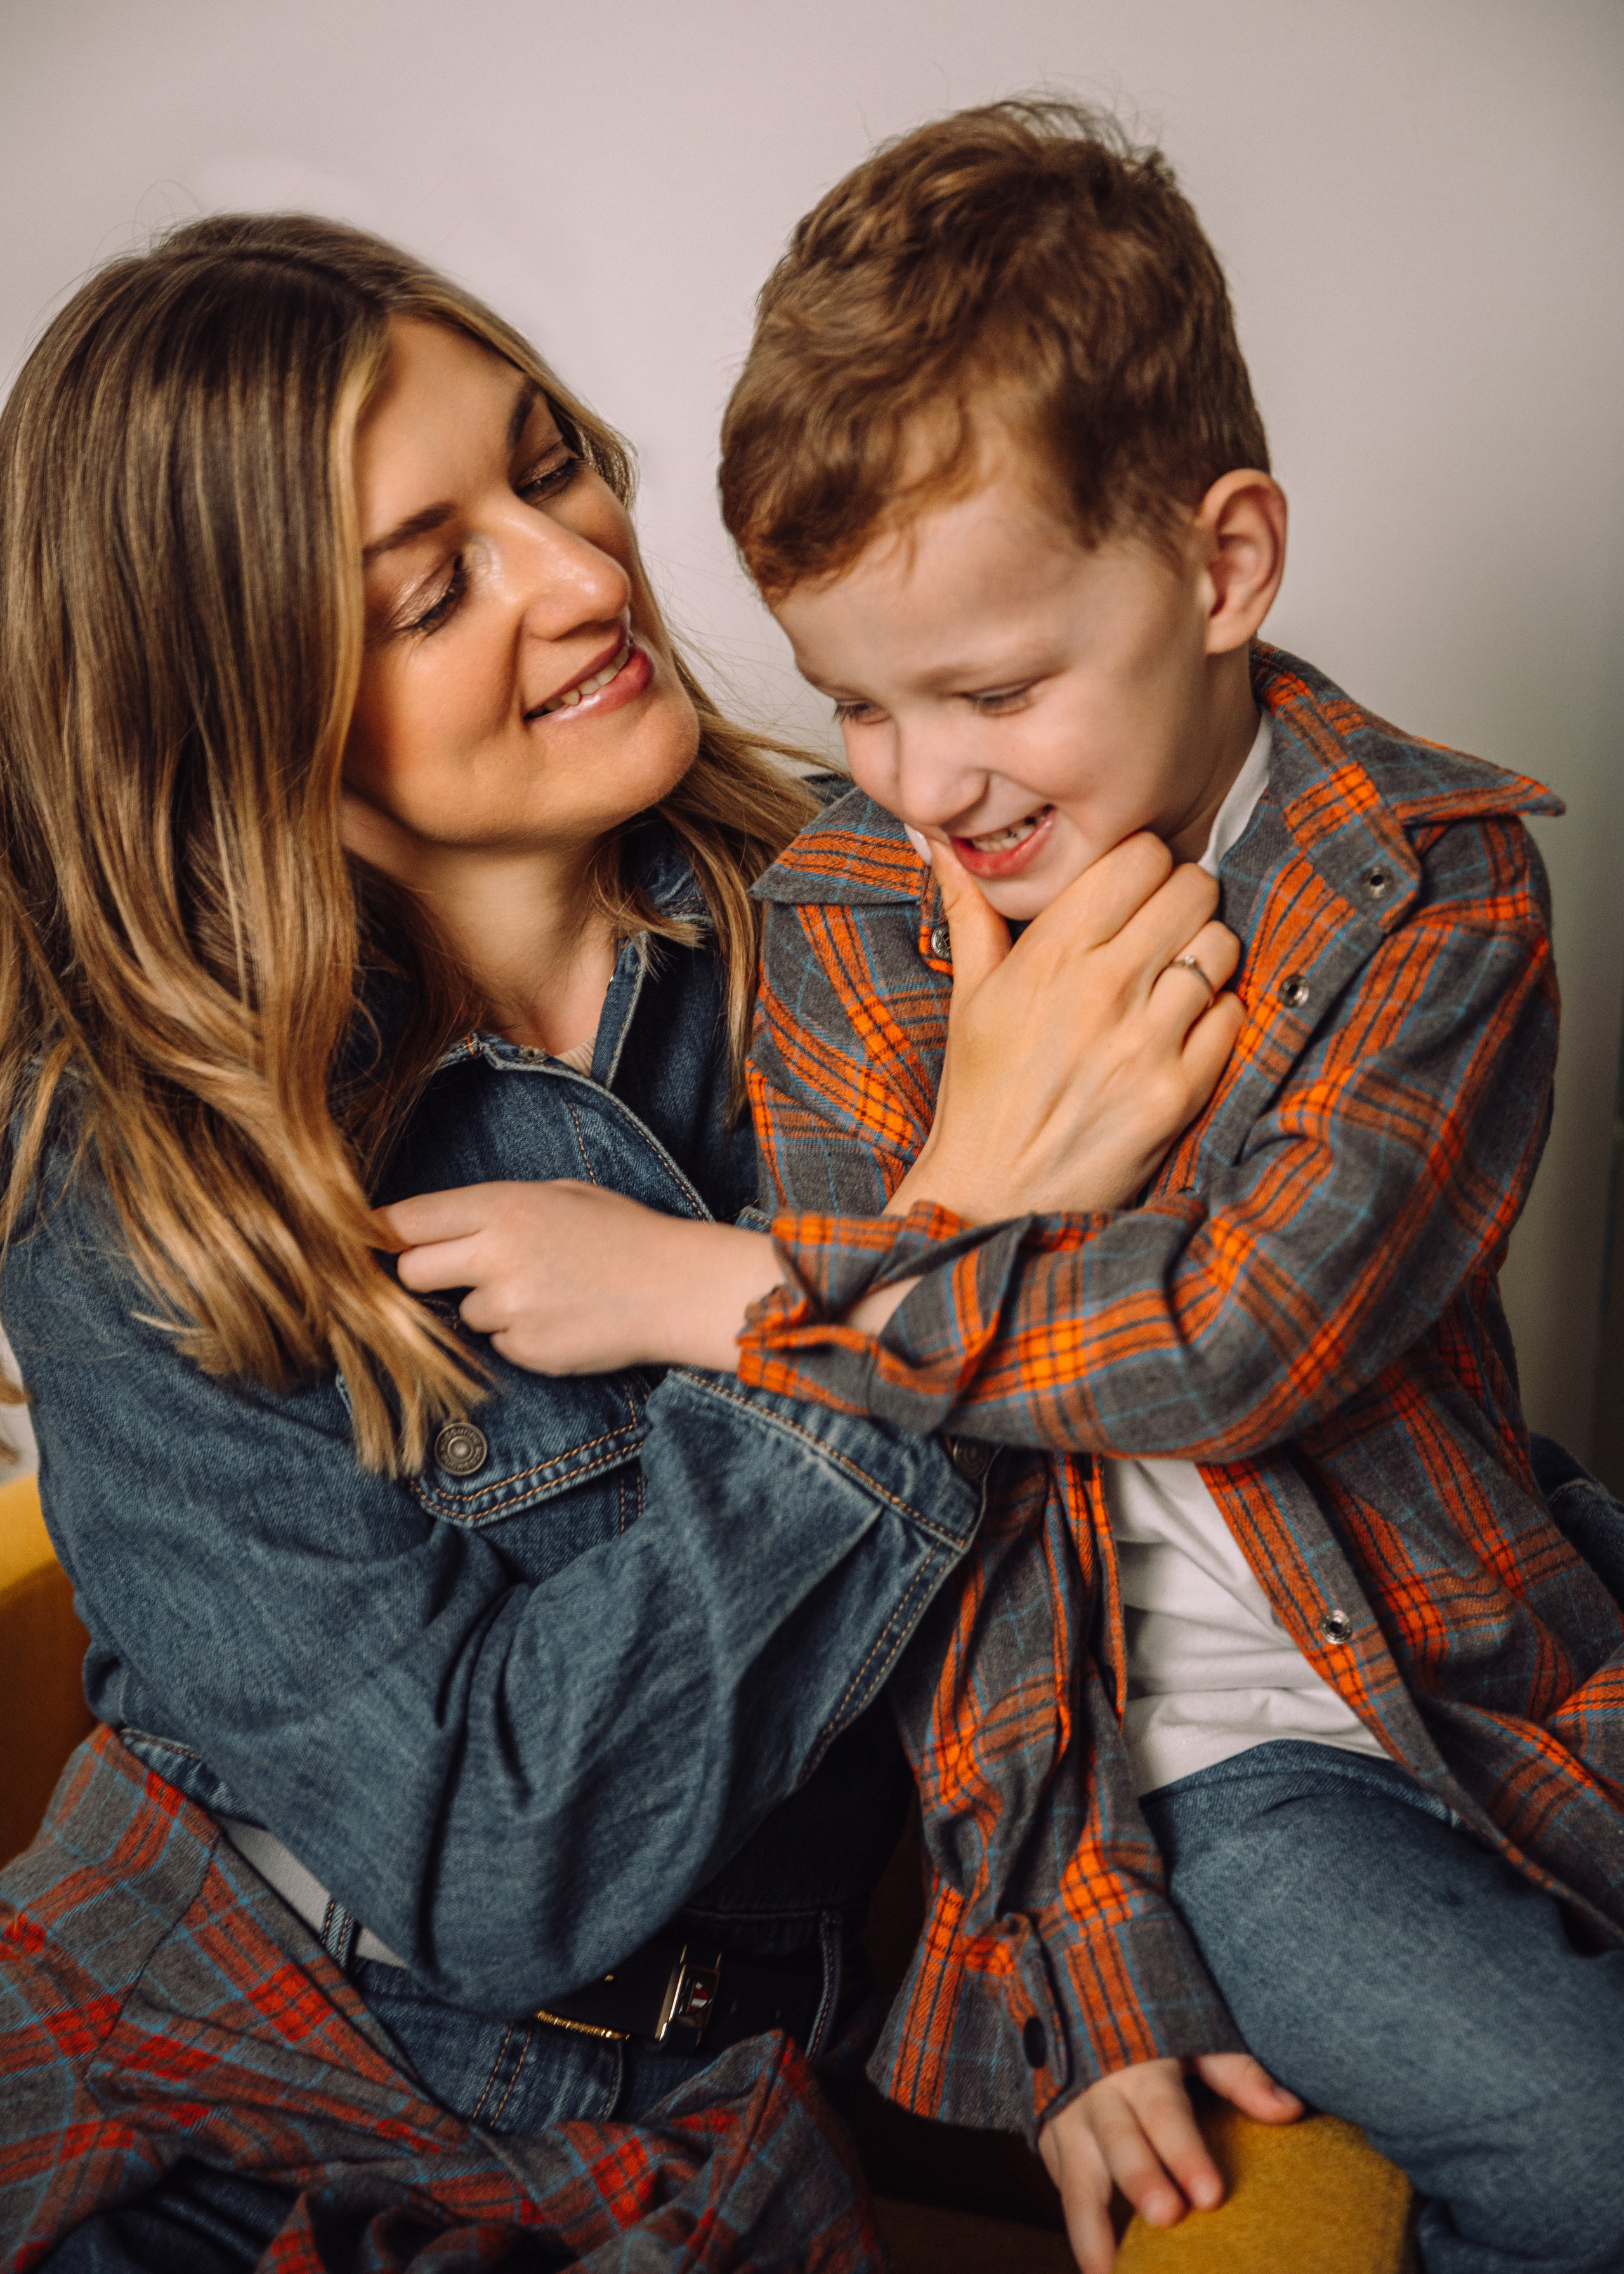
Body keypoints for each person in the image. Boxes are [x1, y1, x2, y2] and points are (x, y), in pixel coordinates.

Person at [392, 104, 1624, 2274]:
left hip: (1487, 1646)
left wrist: (712, 1290)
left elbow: (1232, 1341)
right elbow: (954, 1533)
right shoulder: (855, 921)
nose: (925, 783)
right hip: (1215, 1770)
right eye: (855, 705)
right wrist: (1072, 1938)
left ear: (1223, 566)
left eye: (992, 691)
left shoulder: (1427, 888)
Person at [0, 213, 1234, 2270]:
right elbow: (492, 1851)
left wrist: (1081, 1954)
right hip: (202, 2069)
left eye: (550, 462)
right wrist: (945, 1249)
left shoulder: (913, 908)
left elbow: (1199, 1448)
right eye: (430, 590)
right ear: (241, 710)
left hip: (711, 2128)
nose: (585, 577)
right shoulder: (133, 1180)